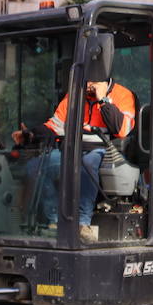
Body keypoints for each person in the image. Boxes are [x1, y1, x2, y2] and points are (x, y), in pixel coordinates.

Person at [16, 78, 136, 242]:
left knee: (86, 164)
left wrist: (103, 100)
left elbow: (121, 130)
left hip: (103, 150)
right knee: (35, 166)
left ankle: (82, 222)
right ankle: (54, 220)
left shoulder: (123, 95)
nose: (86, 85)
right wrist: (30, 134)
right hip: (71, 150)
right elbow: (55, 126)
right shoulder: (74, 95)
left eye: (91, 80)